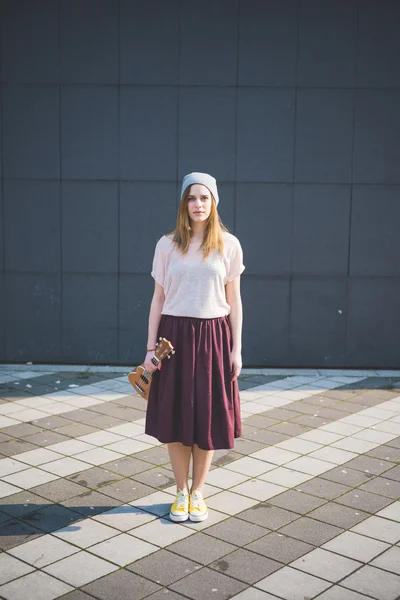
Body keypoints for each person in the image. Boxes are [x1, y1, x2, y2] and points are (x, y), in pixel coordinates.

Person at [143, 172, 244, 523]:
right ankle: (180, 492)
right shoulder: (166, 245)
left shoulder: (228, 245)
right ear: (183, 204)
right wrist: (148, 351)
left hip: (214, 337)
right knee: (175, 417)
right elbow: (158, 300)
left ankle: (198, 492)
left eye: (204, 198)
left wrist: (237, 349)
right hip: (173, 338)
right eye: (191, 198)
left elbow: (235, 300)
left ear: (214, 202)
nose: (198, 204)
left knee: (208, 417)